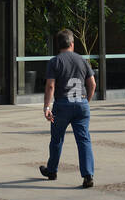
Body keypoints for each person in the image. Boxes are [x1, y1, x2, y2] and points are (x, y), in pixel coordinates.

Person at [38, 28, 96, 188]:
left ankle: (52, 170)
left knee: (57, 139)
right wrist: (86, 101)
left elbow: (50, 86)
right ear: (72, 43)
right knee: (84, 140)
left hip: (62, 105)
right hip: (81, 103)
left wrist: (46, 107)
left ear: (59, 45)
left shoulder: (55, 61)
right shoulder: (82, 60)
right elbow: (92, 84)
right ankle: (88, 175)